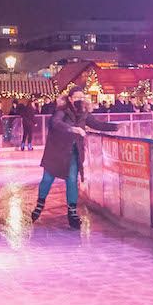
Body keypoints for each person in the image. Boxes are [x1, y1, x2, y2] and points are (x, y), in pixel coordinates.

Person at [31, 86, 117, 229]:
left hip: (73, 152)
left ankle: (72, 212)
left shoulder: (84, 113)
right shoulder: (61, 111)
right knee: (47, 178)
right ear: (70, 99)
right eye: (76, 97)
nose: (79, 100)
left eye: (81, 97)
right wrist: (72, 129)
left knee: (72, 180)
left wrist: (116, 127)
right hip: (57, 151)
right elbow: (56, 123)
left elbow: (97, 124)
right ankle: (40, 205)